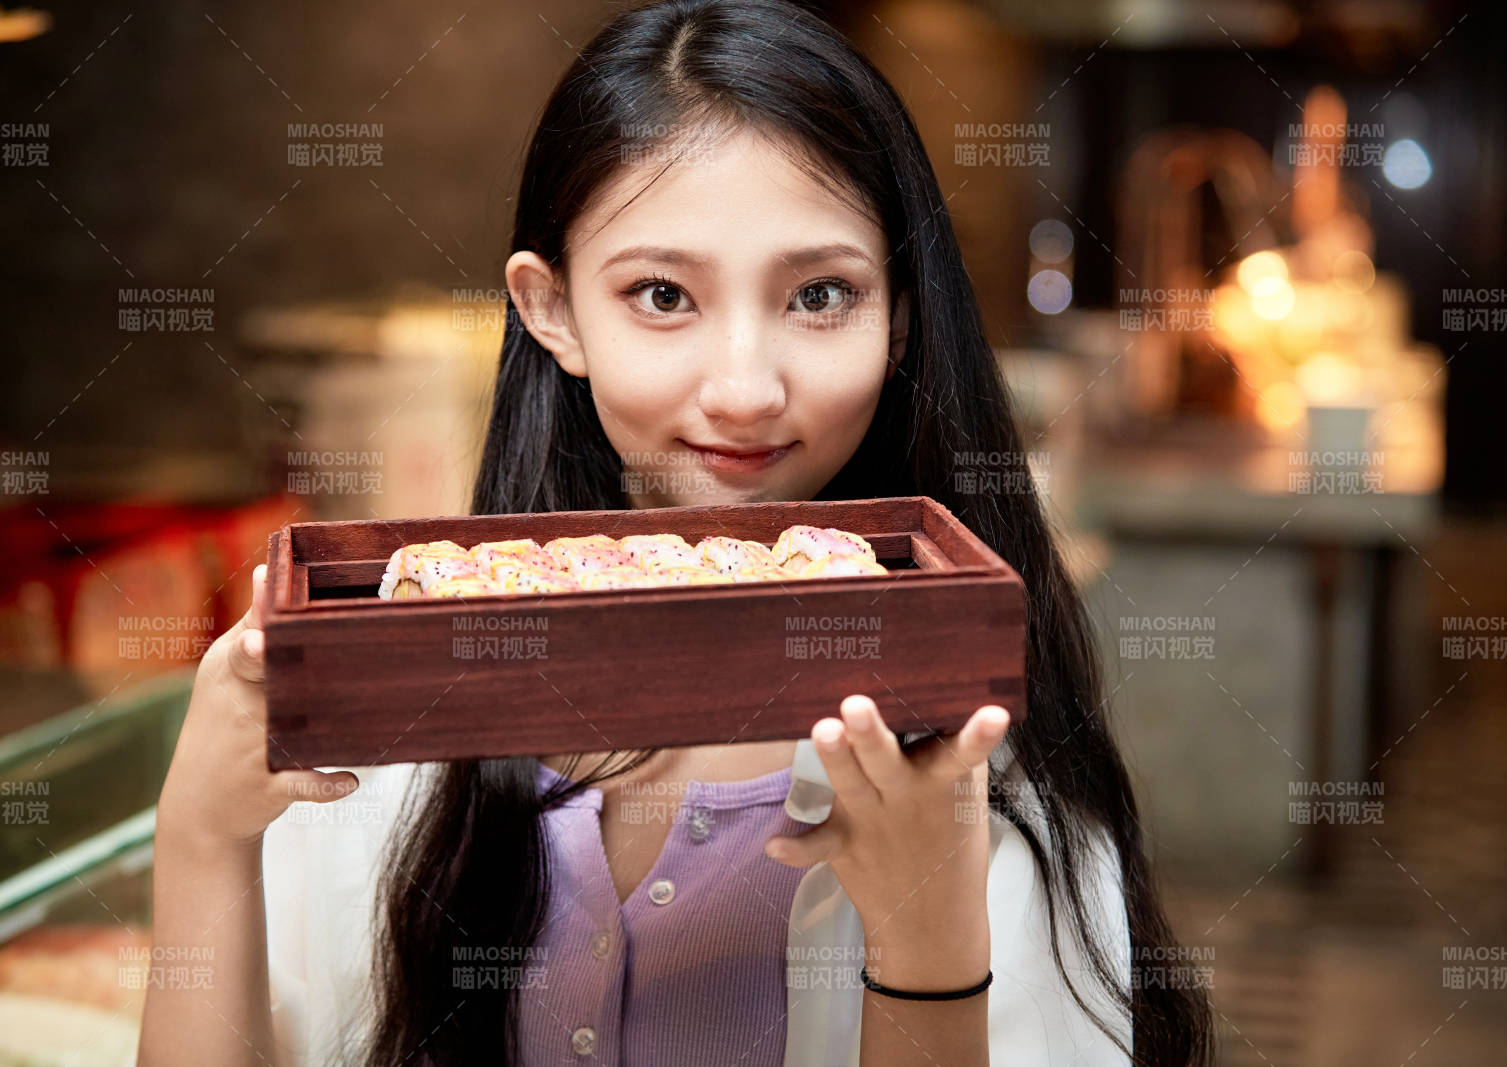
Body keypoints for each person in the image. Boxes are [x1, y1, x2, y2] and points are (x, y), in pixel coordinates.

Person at [137, 1, 1213, 1064]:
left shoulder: (975, 768)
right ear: (551, 309)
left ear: (899, 316)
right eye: (661, 293)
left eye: (820, 293)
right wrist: (198, 839)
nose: (744, 388)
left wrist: (927, 940)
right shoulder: (396, 710)